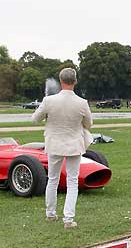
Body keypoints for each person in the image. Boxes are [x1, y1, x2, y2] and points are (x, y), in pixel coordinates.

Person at [31, 68, 93, 229]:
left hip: (54, 143)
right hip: (73, 144)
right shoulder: (82, 102)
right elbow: (89, 124)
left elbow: (35, 119)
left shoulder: (49, 101)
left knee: (53, 179)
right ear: (75, 81)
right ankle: (68, 218)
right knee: (72, 181)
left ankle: (50, 213)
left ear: (60, 81)